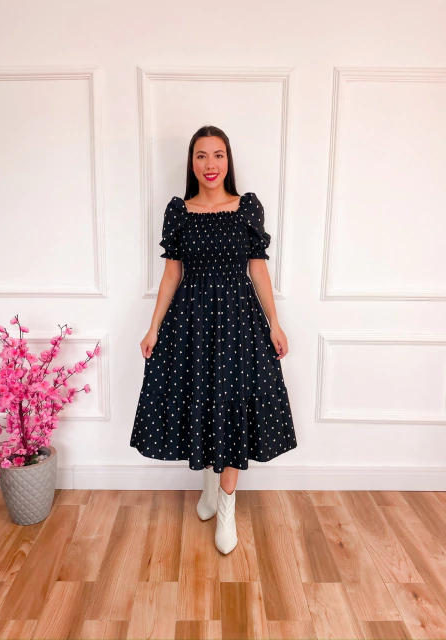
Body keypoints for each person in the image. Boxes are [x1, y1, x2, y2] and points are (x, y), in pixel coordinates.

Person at [130, 125, 297, 554]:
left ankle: (226, 507)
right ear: (192, 162)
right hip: (191, 322)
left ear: (228, 160)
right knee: (201, 401)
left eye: (218, 155)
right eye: (201, 155)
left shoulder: (246, 208)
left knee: (232, 404)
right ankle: (207, 490)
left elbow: (257, 268)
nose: (210, 164)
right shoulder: (179, 212)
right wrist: (153, 327)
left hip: (239, 323)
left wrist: (275, 323)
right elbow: (172, 274)